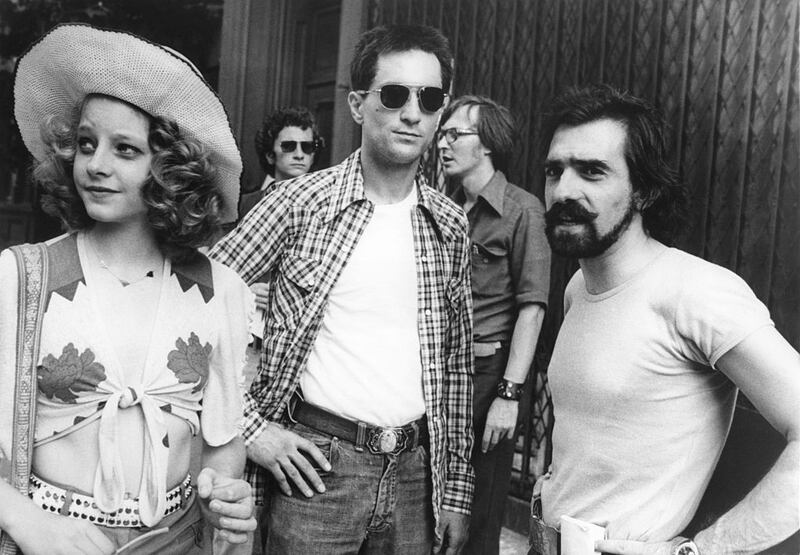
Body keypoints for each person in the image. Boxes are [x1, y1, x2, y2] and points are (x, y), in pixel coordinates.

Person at [209, 24, 475, 554]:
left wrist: (457, 492)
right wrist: (252, 429)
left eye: (429, 98)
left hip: (415, 477)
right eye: (395, 94)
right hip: (319, 470)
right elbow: (192, 303)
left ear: (440, 111)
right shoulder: (299, 203)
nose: (411, 112)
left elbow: (456, 364)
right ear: (358, 104)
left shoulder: (450, 224)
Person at [0, 23, 257, 554]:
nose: (96, 164)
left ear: (170, 168)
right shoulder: (21, 278)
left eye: (125, 149)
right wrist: (30, 524)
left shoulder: (222, 293)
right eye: (87, 143)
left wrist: (224, 495)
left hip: (176, 540)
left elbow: (221, 443)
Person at [529, 84, 800, 555]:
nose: (564, 190)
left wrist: (705, 551)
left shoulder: (695, 292)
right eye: (556, 171)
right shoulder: (578, 286)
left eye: (592, 171)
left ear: (645, 190)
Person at [437, 95, 550, 554]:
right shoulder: (441, 207)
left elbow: (533, 308)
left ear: (488, 145)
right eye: (441, 134)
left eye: (453, 134)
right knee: (430, 506)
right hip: (435, 375)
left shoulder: (523, 211)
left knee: (477, 517)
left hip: (486, 380)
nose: (441, 143)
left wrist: (509, 395)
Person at [238, 106, 324, 219]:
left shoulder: (324, 206)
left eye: (307, 147)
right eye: (288, 146)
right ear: (270, 155)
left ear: (312, 156)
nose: (299, 155)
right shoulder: (244, 205)